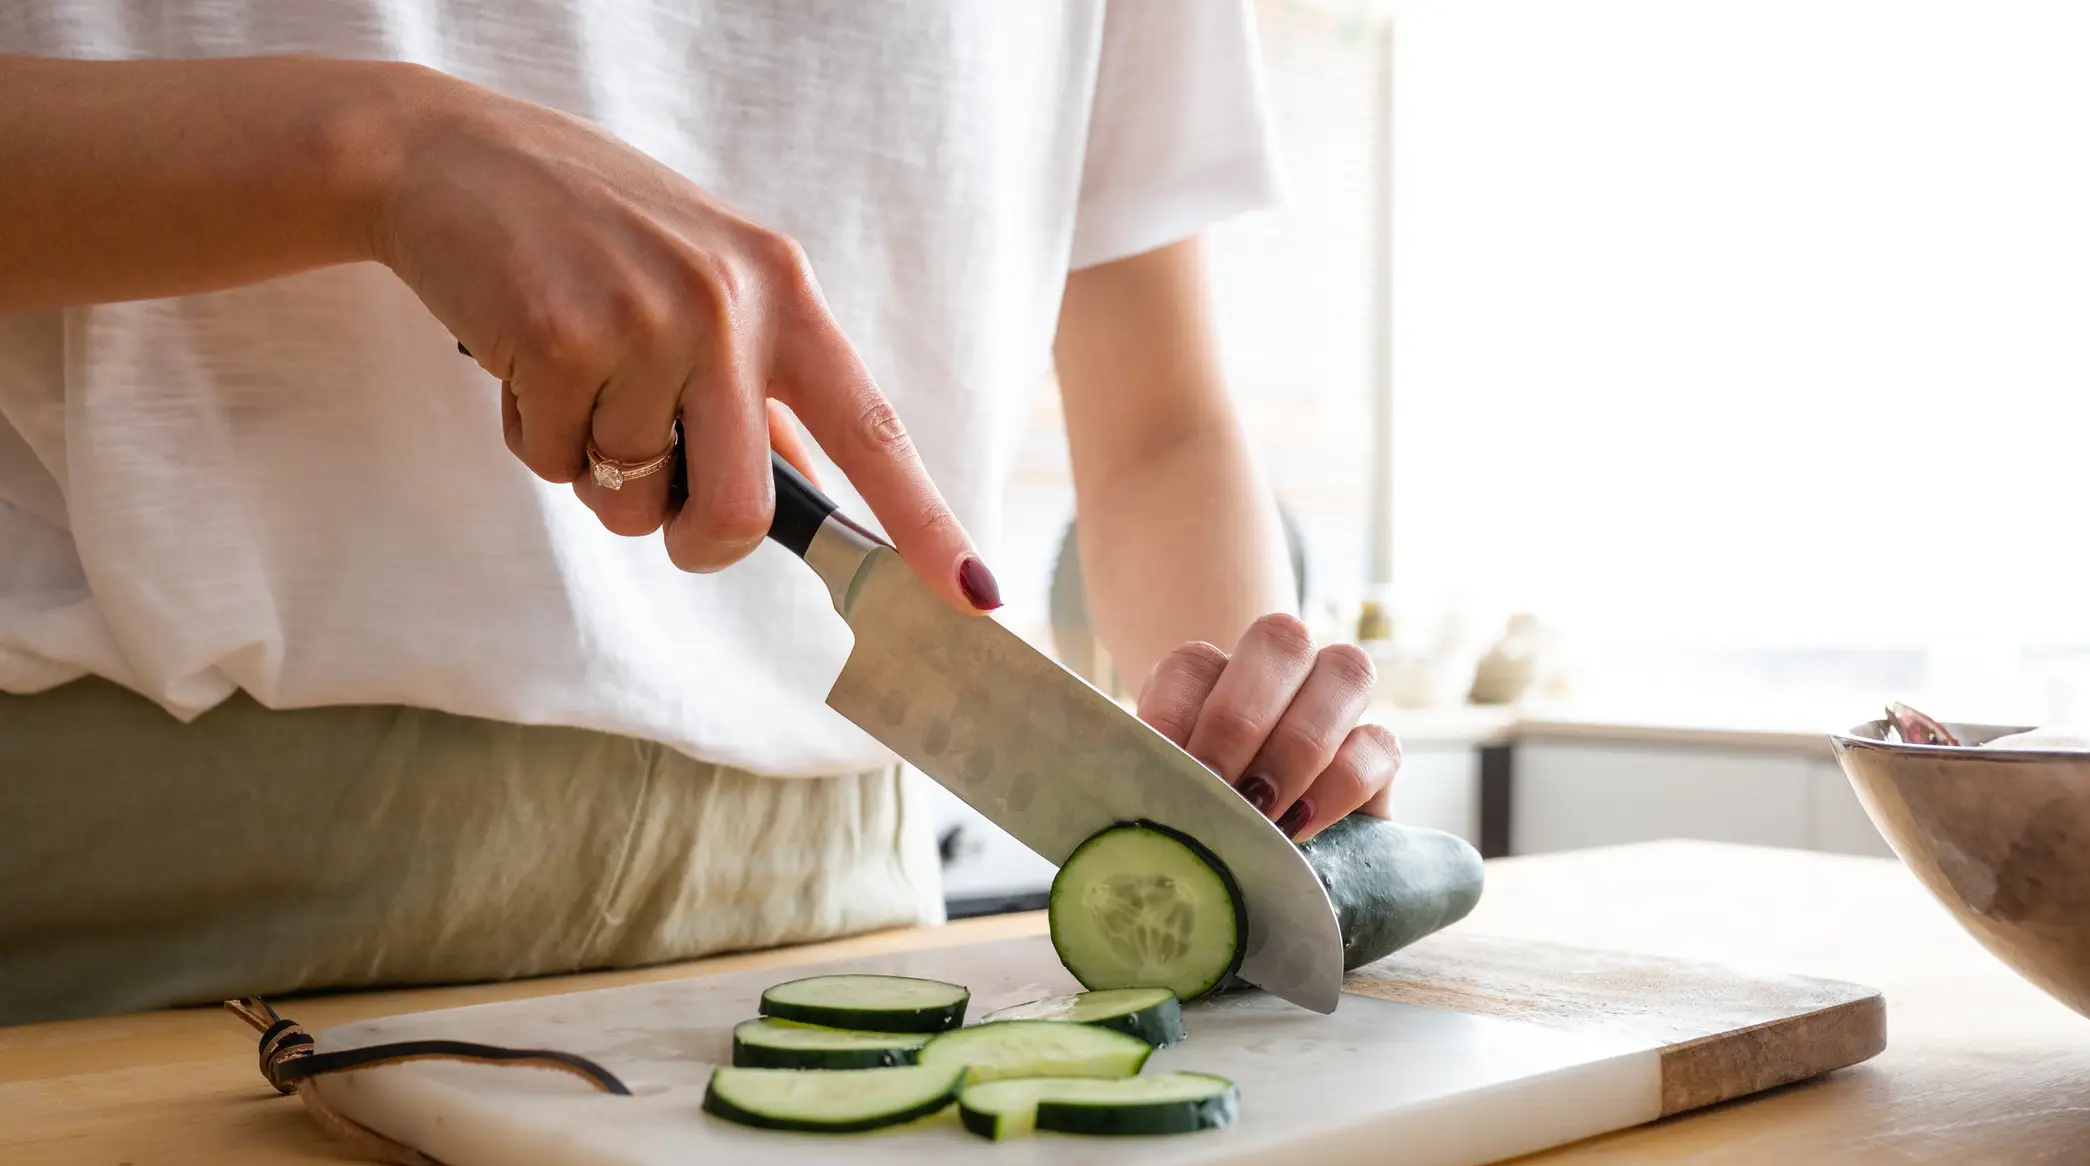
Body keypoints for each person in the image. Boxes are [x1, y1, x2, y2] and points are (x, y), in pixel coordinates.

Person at [0, 2, 1402, 1025]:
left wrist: (1243, 763)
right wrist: (384, 153)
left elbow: (1160, 426)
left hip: (841, 933)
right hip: (153, 915)